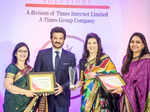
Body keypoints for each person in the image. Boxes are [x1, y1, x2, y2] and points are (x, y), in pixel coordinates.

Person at [34, 26, 77, 112]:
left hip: (63, 100)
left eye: (60, 38)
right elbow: (35, 74)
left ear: (64, 40)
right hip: (45, 99)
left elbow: (73, 79)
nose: (58, 41)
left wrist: (63, 87)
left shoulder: (71, 56)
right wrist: (41, 88)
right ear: (51, 39)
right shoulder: (42, 54)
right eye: (55, 38)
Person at [76, 33, 119, 112]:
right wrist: (76, 85)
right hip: (87, 96)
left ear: (98, 45)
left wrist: (96, 75)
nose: (91, 45)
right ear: (86, 45)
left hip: (102, 96)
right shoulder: (82, 61)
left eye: (94, 43)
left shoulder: (105, 59)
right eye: (89, 43)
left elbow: (114, 77)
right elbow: (82, 80)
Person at [112, 32, 150, 112]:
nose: (134, 44)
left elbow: (143, 87)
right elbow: (124, 78)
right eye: (132, 42)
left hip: (136, 101)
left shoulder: (146, 61)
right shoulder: (126, 58)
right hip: (124, 99)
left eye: (138, 42)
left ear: (143, 45)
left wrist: (124, 89)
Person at [3, 42, 38, 112]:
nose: (23, 53)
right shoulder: (11, 68)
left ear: (28, 54)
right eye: (20, 51)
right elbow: (7, 86)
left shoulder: (31, 69)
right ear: (15, 54)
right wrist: (25, 92)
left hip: (28, 105)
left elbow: (35, 86)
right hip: (13, 105)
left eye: (25, 51)